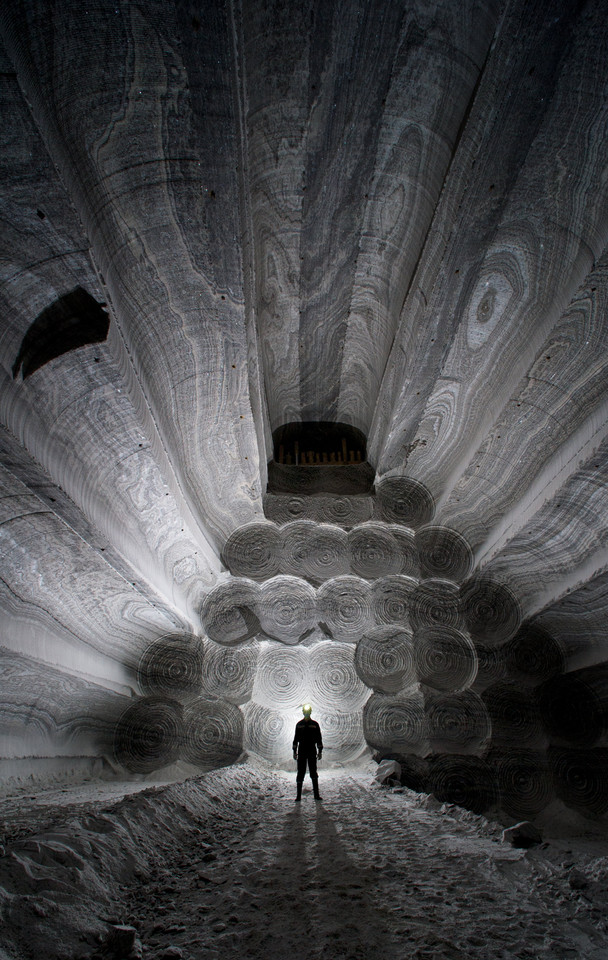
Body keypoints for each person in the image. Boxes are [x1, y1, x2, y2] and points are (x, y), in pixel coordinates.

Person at [293, 703, 323, 801]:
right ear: (303, 712)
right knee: (301, 772)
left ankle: (316, 795)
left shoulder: (315, 725)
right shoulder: (299, 725)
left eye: (307, 712)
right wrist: (294, 751)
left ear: (310, 712)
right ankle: (298, 796)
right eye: (305, 712)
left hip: (311, 750)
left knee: (313, 772)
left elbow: (319, 738)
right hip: (302, 751)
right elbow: (296, 739)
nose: (306, 713)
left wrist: (320, 750)